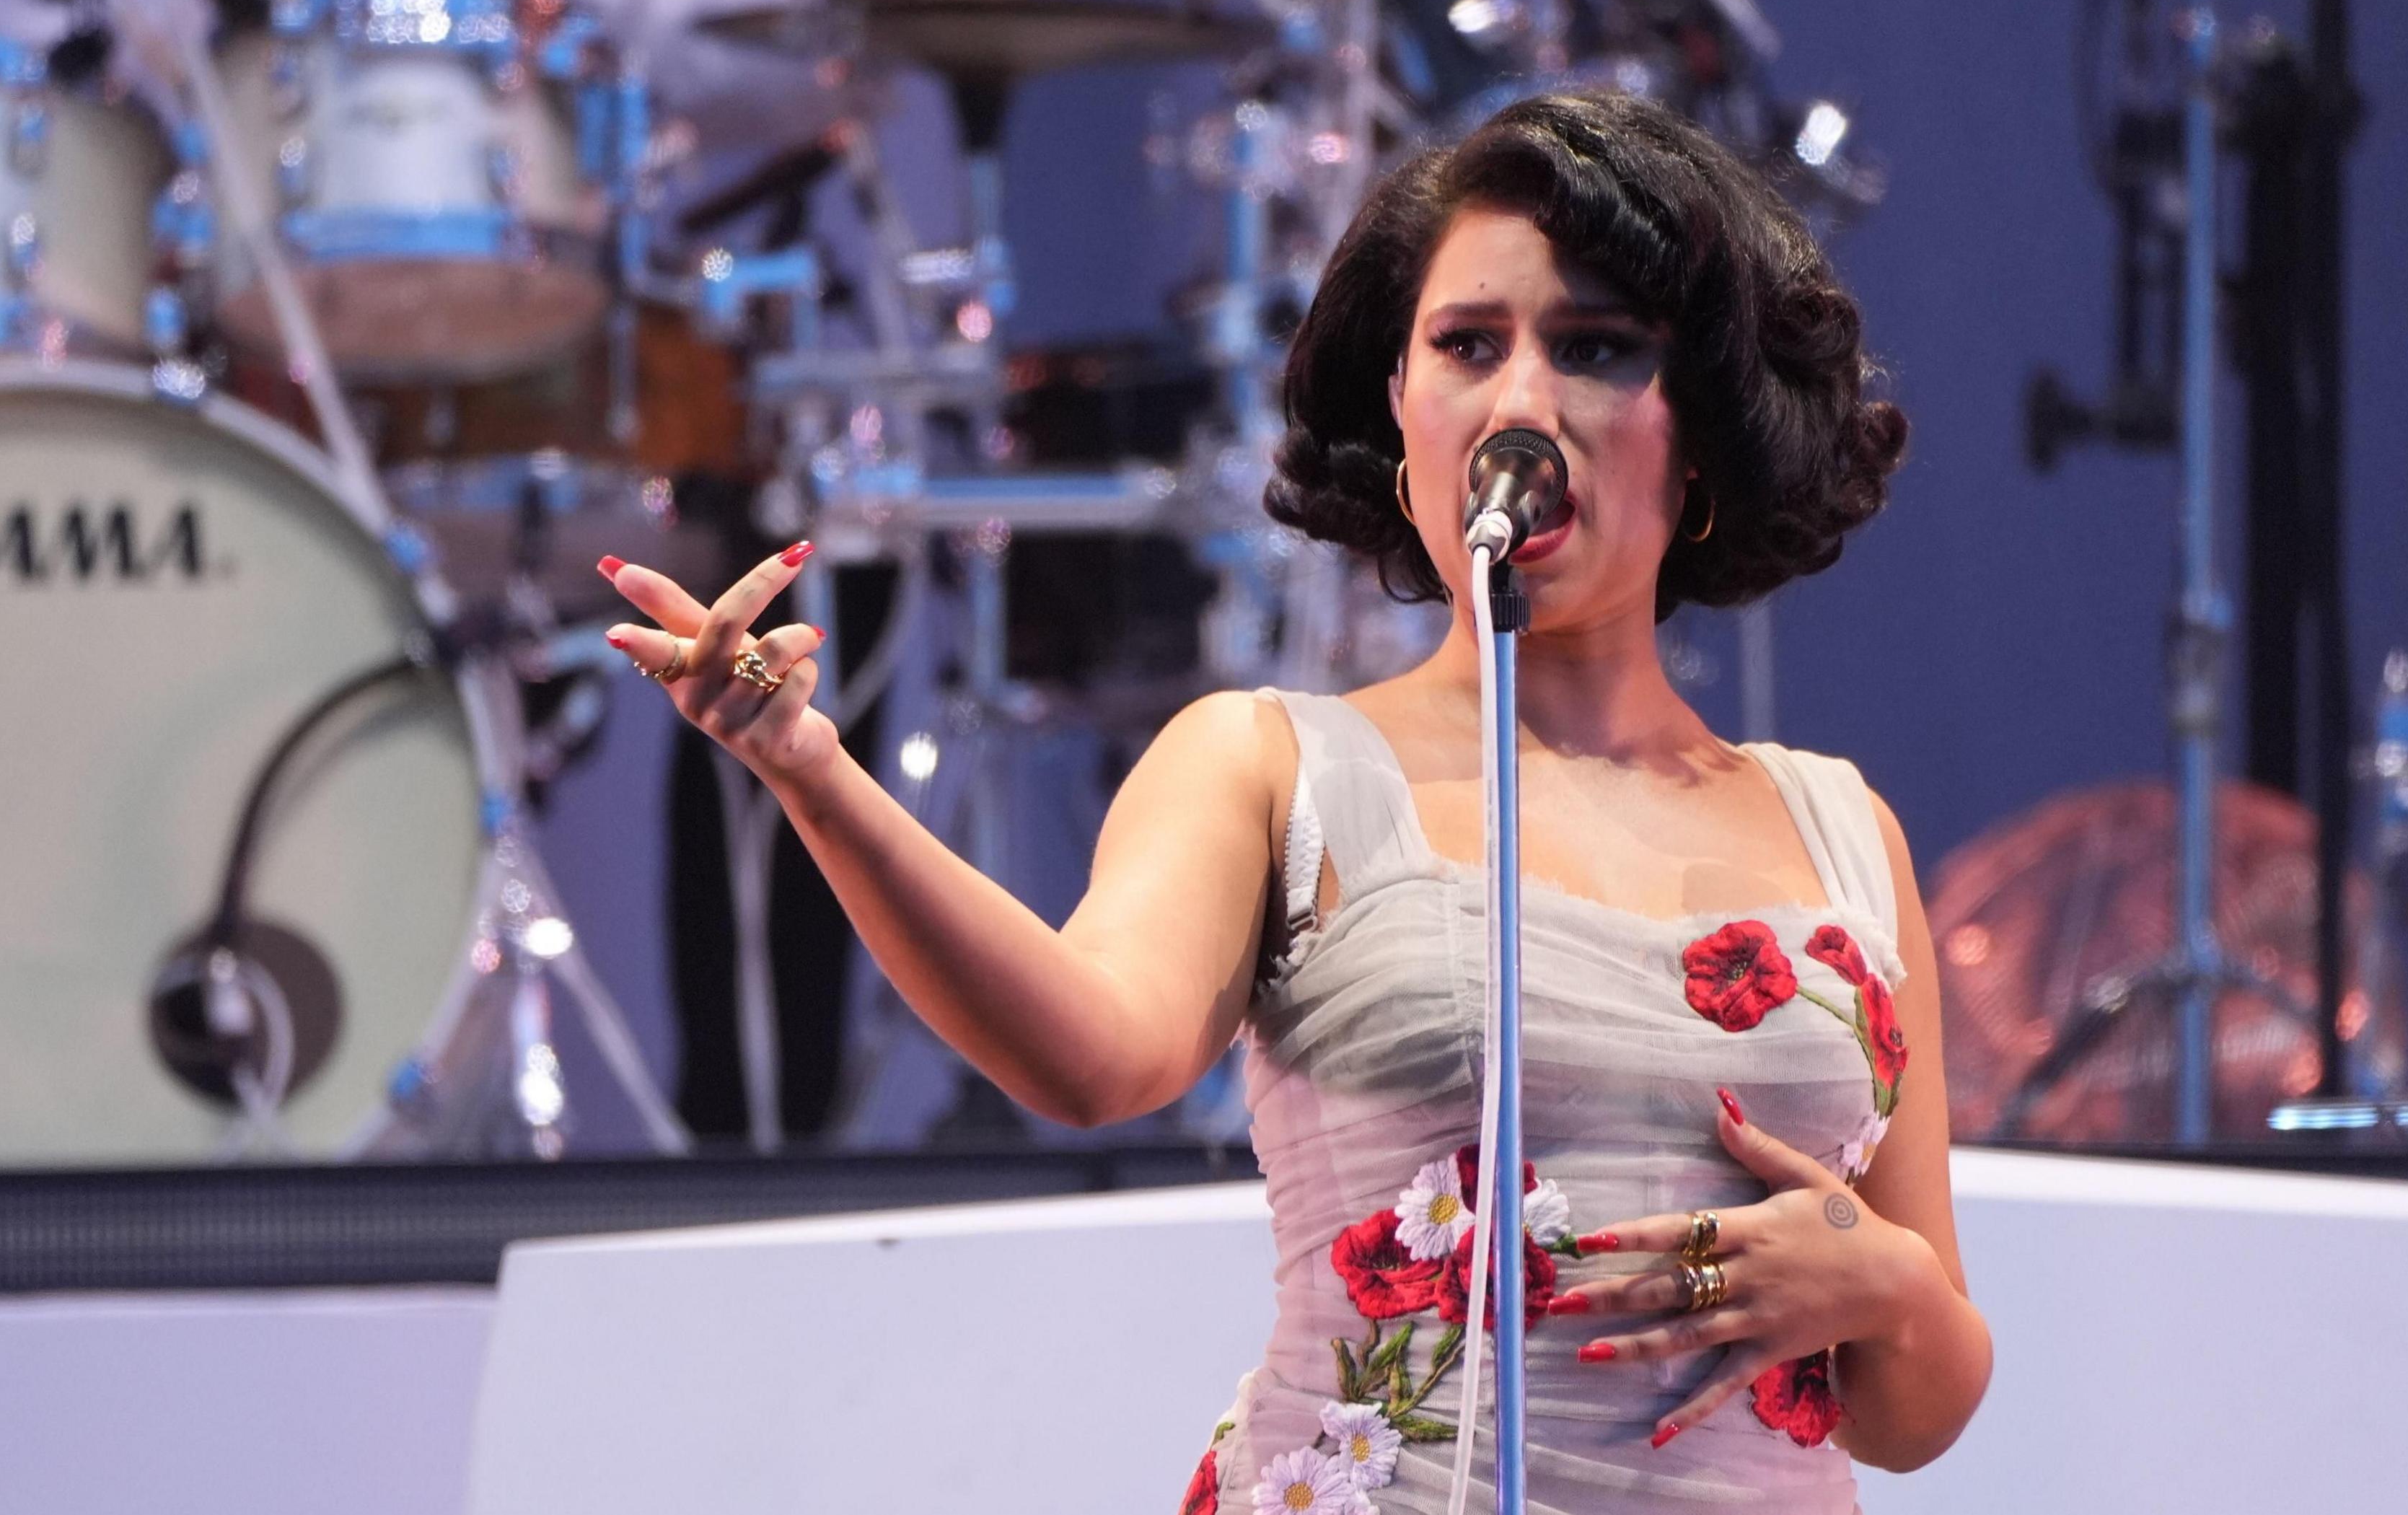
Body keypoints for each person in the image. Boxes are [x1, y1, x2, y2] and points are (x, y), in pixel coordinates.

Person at [599, 91, 1991, 1513]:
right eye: (1467, 345)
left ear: (1702, 418)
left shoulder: (1840, 833)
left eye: (1594, 348)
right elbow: (1095, 1053)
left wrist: (1884, 1281)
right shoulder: (1273, 763)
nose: (1520, 401)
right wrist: (810, 770)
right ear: (1402, 407)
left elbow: (1908, 1410)